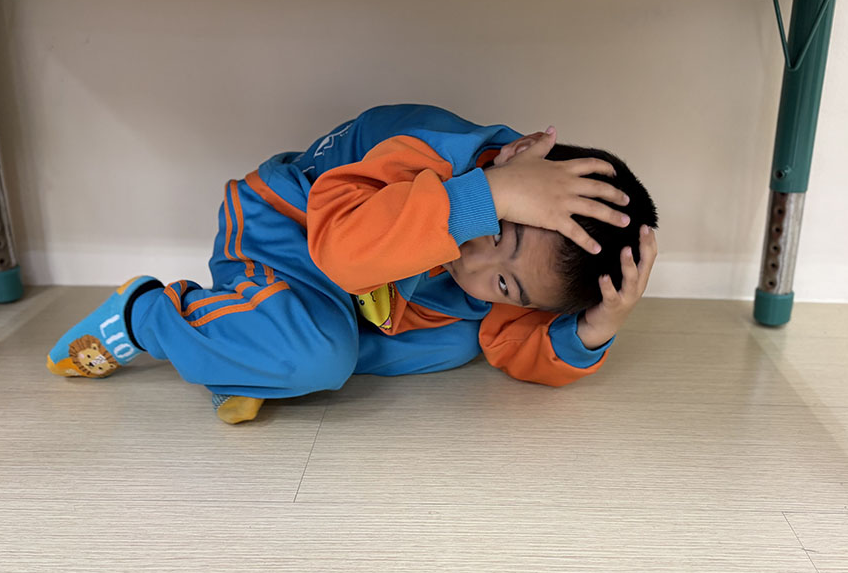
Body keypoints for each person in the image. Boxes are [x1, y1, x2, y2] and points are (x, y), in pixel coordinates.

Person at [46, 104, 659, 423]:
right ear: (519, 156)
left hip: (368, 292)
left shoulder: (500, 279)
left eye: (505, 282)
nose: (475, 262)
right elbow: (341, 253)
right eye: (498, 227)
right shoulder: (427, 143)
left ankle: (258, 355)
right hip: (289, 232)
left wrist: (595, 329)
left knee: (462, 340)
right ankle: (145, 314)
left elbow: (512, 340)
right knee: (321, 356)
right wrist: (485, 198)